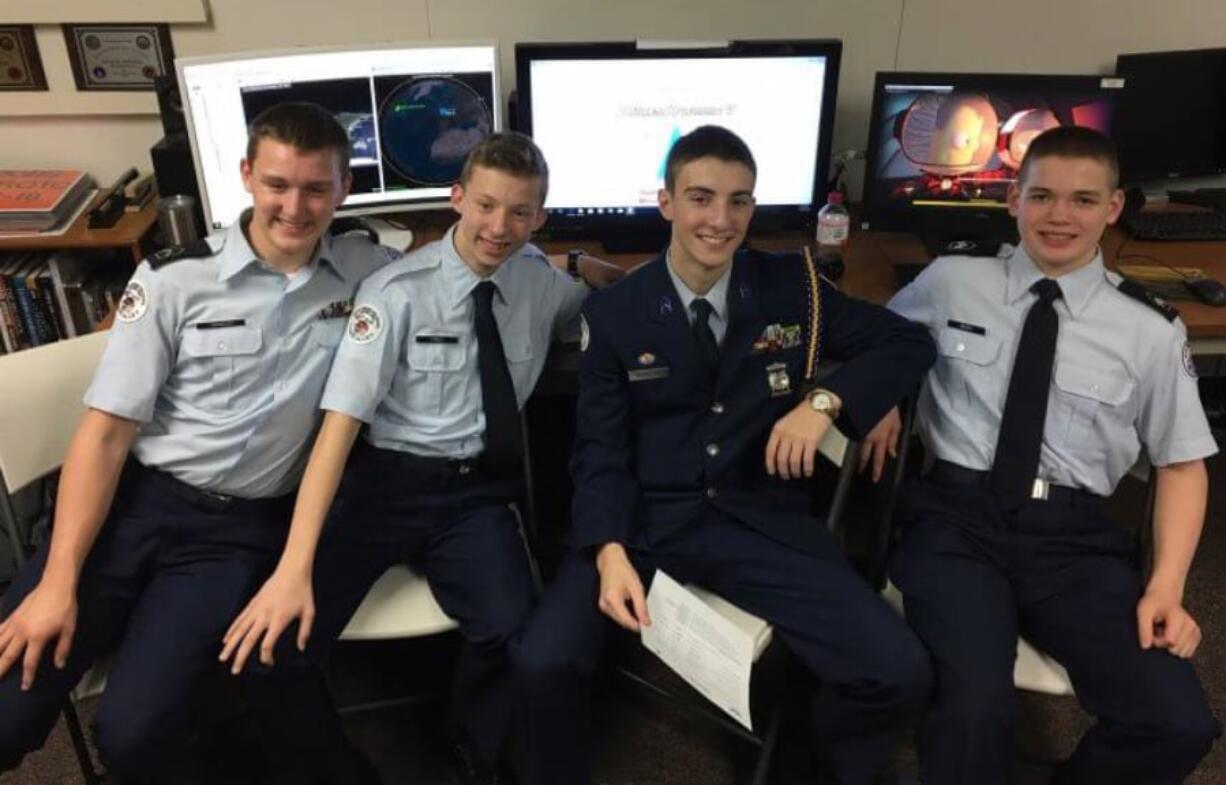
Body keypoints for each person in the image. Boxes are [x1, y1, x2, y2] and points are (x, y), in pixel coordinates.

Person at [509, 125, 936, 785]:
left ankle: (803, 766)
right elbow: (599, 449)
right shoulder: (618, 312)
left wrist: (827, 404)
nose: (720, 219)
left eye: (739, 201)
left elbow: (906, 342)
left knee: (896, 669)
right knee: (544, 660)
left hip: (757, 516)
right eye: (702, 198)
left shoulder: (794, 285)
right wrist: (609, 548)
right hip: (644, 518)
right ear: (666, 202)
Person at [0, 101, 395, 783]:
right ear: (246, 174)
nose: (294, 207)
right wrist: (58, 581)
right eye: (276, 184)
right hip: (134, 506)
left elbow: (456, 262)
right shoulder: (174, 278)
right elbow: (103, 435)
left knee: (132, 730)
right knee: (9, 705)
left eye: (315, 188)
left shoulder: (367, 268)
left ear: (345, 189)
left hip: (238, 530)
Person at [220, 131, 624, 784]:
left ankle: (468, 745)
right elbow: (338, 429)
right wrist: (293, 566)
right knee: (277, 644)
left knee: (515, 630)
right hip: (382, 484)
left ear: (539, 218)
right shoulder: (396, 291)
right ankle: (333, 770)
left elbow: (610, 303)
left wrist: (591, 266)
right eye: (486, 205)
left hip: (473, 493)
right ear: (457, 198)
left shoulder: (540, 283)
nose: (500, 226)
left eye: (520, 212)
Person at [862, 125, 1221, 784]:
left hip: (1074, 542)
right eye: (1043, 196)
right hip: (955, 523)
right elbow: (881, 340)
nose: (1060, 216)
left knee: (1178, 721)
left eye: (1084, 201)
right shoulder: (952, 282)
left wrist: (1168, 586)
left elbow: (1181, 462)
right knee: (974, 708)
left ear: (1113, 208)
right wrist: (881, 392)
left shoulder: (1149, 329)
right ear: (1013, 199)